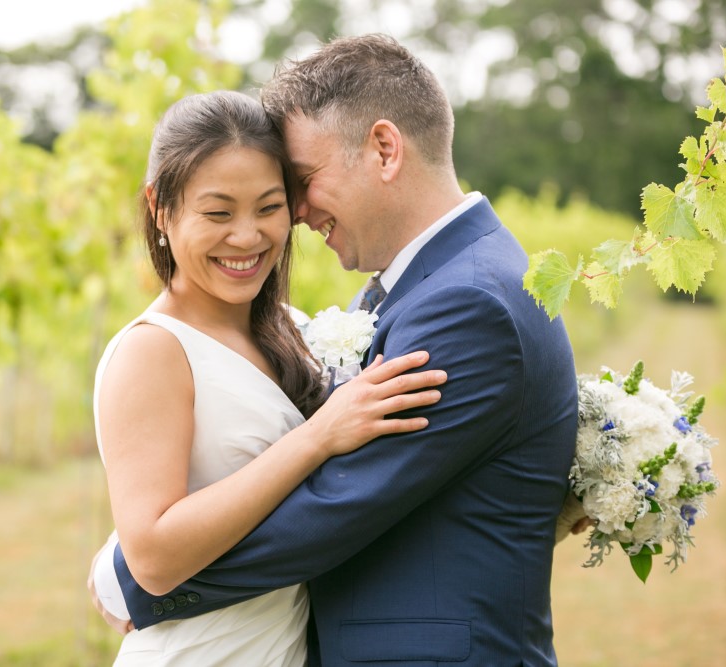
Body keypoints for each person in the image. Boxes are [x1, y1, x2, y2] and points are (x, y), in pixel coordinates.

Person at [98, 34, 580, 666]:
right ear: (161, 210)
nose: (292, 215)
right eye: (220, 210)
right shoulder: (424, 287)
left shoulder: (465, 304)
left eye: (296, 186)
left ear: (384, 148)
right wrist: (145, 549)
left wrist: (129, 580)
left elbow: (334, 506)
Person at [89, 89, 447, 665]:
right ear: (160, 208)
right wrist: (317, 436)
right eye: (218, 212)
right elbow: (153, 559)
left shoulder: (296, 331)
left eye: (269, 206)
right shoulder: (153, 351)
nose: (248, 237)